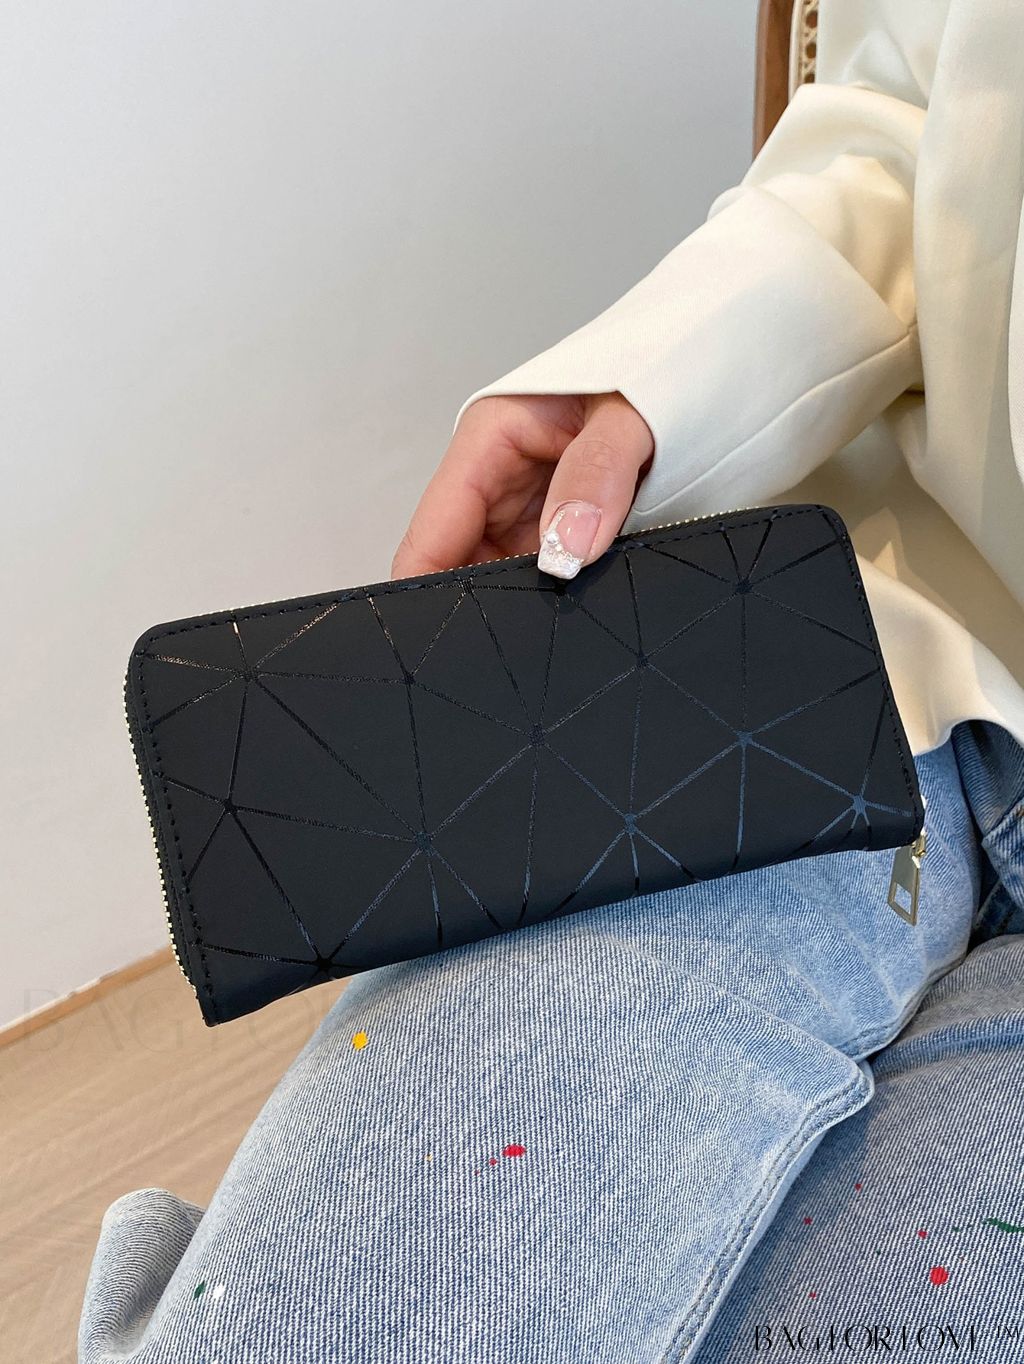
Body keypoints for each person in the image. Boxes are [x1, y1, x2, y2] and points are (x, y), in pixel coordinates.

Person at [79, 1, 1024, 1360]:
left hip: (845, 697)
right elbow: (901, 128)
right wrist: (655, 386)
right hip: (874, 670)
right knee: (328, 1318)